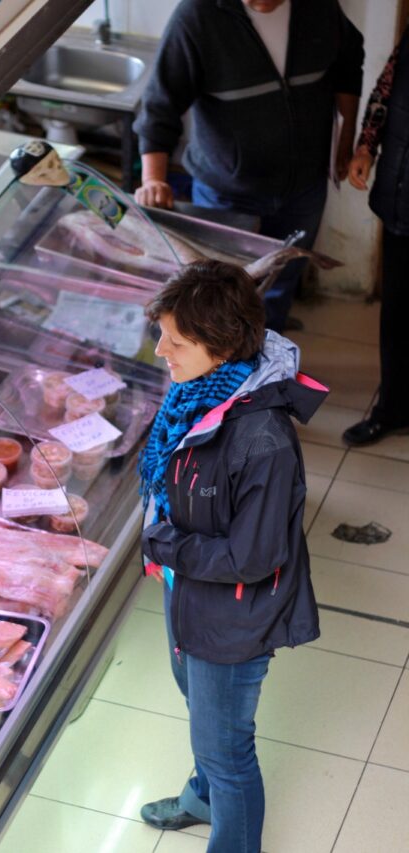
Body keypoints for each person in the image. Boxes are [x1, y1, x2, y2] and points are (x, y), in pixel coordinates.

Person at [138, 260, 327, 852]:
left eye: (177, 340)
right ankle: (202, 797)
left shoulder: (263, 442)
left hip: (234, 615)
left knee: (228, 751)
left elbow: (253, 558)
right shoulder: (199, 393)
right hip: (189, 592)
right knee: (200, 709)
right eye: (162, 333)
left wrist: (164, 542)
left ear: (220, 347)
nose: (160, 351)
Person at [133, 0, 364, 333]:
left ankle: (270, 342)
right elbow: (160, 106)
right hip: (226, 192)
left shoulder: (320, 8)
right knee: (222, 297)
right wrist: (153, 179)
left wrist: (346, 140)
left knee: (282, 278)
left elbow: (348, 64)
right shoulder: (198, 16)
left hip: (305, 186)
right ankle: (229, 374)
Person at [342, 25, 409, 446]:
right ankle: (393, 409)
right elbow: (385, 92)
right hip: (401, 195)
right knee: (398, 313)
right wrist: (366, 146)